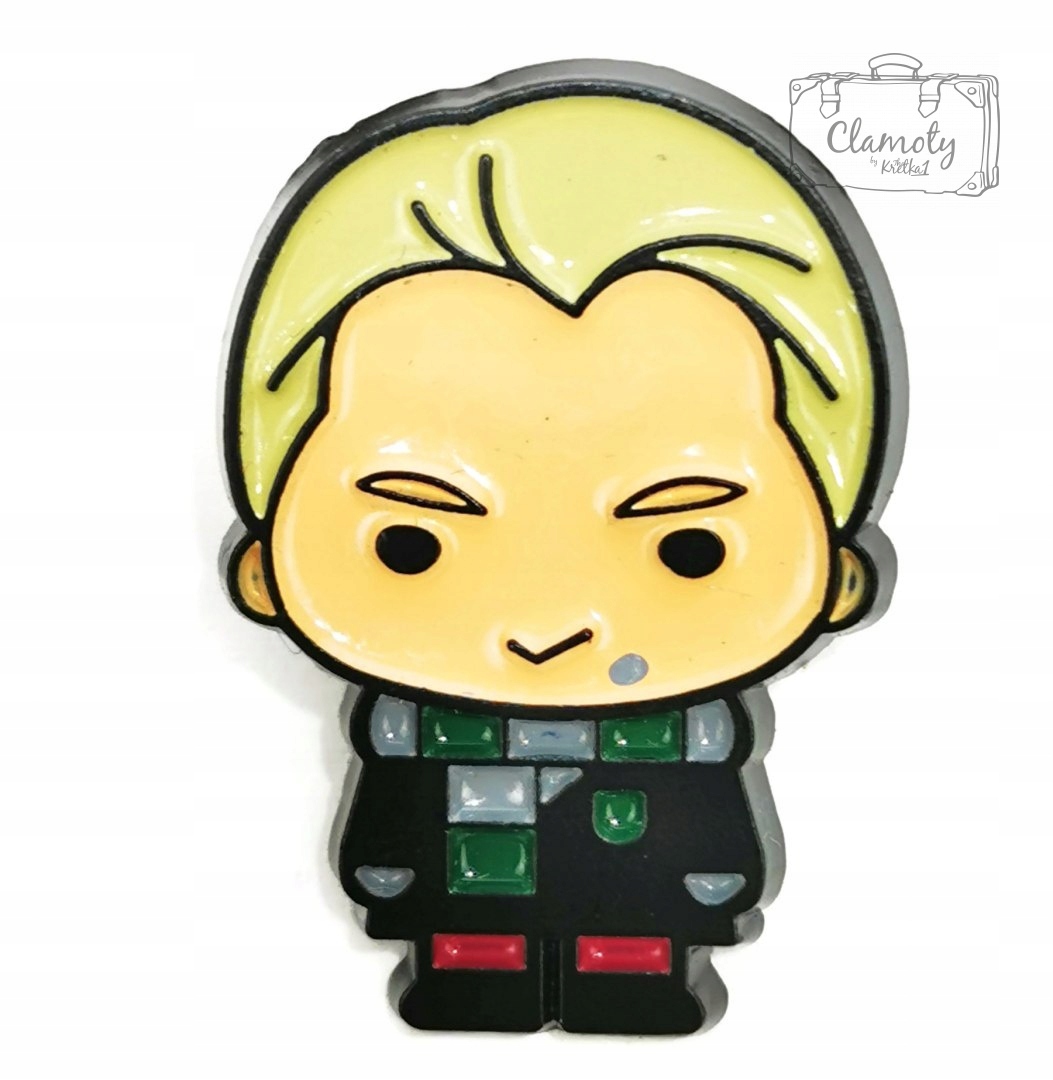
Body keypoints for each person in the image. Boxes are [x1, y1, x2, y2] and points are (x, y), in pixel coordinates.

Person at [221, 61, 905, 1035]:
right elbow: (392, 808)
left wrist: (715, 871)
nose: (547, 624)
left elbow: (709, 818)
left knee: (631, 937)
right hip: (458, 896)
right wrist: (391, 865)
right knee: (470, 945)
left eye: (690, 546)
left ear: (837, 575)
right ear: (264, 568)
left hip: (647, 892)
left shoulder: (690, 737)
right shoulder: (409, 729)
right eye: (410, 542)